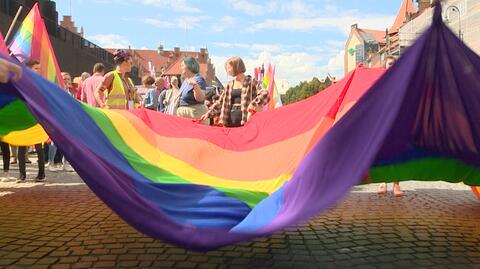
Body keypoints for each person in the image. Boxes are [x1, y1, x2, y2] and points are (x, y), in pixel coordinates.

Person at [201, 56, 269, 127]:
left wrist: (253, 105)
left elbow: (265, 94)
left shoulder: (251, 82)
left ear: (236, 67)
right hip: (229, 121)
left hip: (246, 122)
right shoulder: (229, 85)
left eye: (229, 68)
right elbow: (220, 103)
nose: (227, 71)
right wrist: (208, 114)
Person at [17, 60, 46, 182]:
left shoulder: (41, 83)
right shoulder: (21, 82)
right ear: (28, 69)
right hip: (24, 117)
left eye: (39, 68)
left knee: (39, 147)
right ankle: (22, 175)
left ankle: (41, 174)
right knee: (22, 147)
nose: (39, 70)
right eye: (36, 68)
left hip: (37, 118)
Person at [378, 55, 403, 196]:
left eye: (394, 63)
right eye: (389, 64)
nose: (392, 65)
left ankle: (396, 185)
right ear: (385, 66)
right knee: (384, 152)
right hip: (383, 122)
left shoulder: (401, 80)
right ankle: (383, 182)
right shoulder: (381, 82)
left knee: (397, 153)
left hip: (398, 122)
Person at [176, 57, 208, 122]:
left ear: (188, 66)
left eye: (182, 65)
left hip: (194, 114)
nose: (180, 68)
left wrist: (195, 85)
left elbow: (200, 98)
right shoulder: (185, 81)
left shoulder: (198, 79)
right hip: (185, 115)